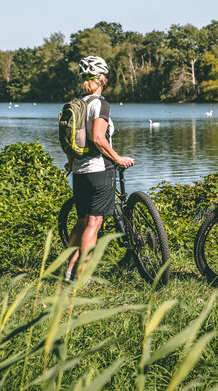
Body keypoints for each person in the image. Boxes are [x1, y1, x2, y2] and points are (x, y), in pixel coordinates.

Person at [64, 56, 134, 282]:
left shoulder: (77, 104)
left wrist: (71, 161)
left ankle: (68, 272)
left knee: (82, 221)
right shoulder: (100, 103)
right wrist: (118, 158)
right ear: (101, 79)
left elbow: (69, 138)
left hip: (79, 172)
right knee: (94, 224)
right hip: (99, 170)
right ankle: (81, 277)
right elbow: (97, 138)